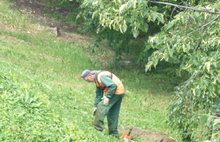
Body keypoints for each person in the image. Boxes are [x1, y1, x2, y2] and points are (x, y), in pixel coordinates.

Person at [81, 70, 125, 138]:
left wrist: (107, 97)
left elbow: (113, 86)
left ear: (90, 75)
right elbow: (99, 94)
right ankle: (114, 135)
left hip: (116, 92)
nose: (88, 81)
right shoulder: (97, 79)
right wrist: (95, 106)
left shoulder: (101, 77)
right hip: (119, 92)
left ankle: (97, 129)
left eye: (87, 79)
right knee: (112, 113)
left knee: (101, 106)